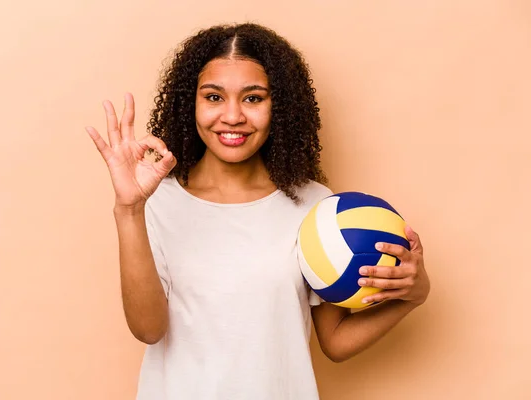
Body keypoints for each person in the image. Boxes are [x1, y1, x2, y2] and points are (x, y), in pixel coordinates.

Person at [85, 23, 430, 400]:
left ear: (279, 106)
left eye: (253, 98)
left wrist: (414, 295)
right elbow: (149, 329)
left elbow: (334, 341)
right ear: (190, 104)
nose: (232, 116)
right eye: (214, 97)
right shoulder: (156, 201)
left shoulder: (315, 206)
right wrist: (129, 210)